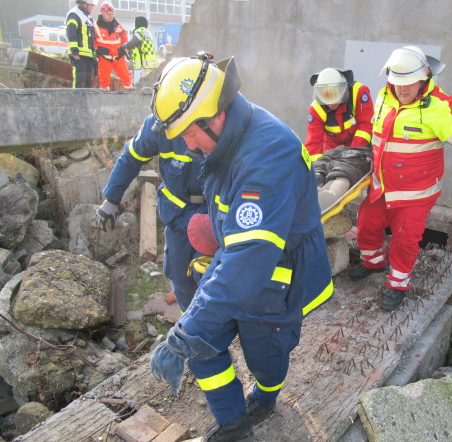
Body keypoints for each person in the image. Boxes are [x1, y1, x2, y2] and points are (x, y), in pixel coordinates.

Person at [148, 52, 334, 441]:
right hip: (237, 260)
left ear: (214, 114)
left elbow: (250, 261)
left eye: (190, 132)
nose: (188, 144)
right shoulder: (227, 141)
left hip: (277, 276)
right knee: (200, 342)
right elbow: (237, 249)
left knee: (264, 358)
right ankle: (234, 425)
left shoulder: (269, 153)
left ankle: (265, 397)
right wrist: (188, 330)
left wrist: (188, 326)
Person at [349, 46, 452, 312]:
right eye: (397, 82)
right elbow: (373, 134)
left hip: (416, 194)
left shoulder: (440, 107)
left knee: (405, 240)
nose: (402, 89)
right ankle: (374, 263)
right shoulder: (383, 99)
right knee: (367, 225)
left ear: (424, 78)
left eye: (409, 83)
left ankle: (397, 284)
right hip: (381, 187)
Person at [94, 90, 209, 312]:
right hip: (178, 212)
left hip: (212, 213)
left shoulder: (212, 124)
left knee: (205, 273)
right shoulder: (158, 126)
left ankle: (208, 332)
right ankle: (188, 320)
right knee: (179, 274)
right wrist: (111, 200)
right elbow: (130, 159)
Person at [306, 68, 374, 212]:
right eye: (327, 100)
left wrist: (352, 153)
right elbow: (313, 144)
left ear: (343, 92)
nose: (331, 105)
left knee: (341, 173)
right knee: (322, 169)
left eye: (334, 99)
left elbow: (365, 125)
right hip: (334, 149)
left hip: (359, 147)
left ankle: (328, 197)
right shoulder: (317, 108)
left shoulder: (358, 92)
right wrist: (316, 171)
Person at [93, 2, 133, 91]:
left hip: (118, 57)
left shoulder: (118, 26)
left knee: (127, 79)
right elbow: (93, 41)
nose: (111, 16)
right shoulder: (95, 27)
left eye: (112, 14)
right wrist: (98, 50)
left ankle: (130, 97)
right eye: (108, 14)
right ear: (102, 13)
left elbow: (124, 41)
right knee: (104, 81)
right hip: (104, 57)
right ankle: (105, 99)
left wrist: (125, 50)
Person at [65, 0, 96, 88]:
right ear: (84, 4)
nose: (93, 8)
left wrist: (94, 55)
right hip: (79, 55)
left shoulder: (88, 18)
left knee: (88, 83)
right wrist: (74, 51)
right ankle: (77, 101)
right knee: (79, 82)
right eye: (91, 5)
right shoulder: (74, 14)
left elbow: (91, 37)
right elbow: (71, 32)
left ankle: (86, 101)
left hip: (88, 56)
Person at [121, 16, 158, 85]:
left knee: (138, 84)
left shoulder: (139, 32)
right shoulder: (147, 32)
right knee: (147, 83)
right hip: (148, 63)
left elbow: (131, 44)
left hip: (141, 64)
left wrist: (123, 45)